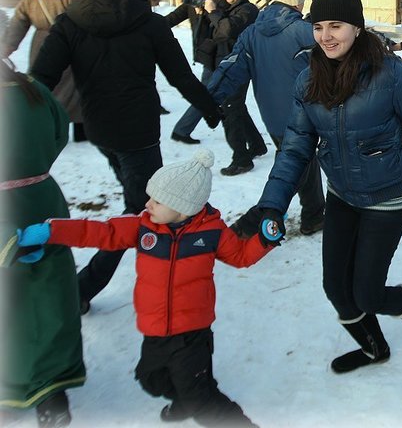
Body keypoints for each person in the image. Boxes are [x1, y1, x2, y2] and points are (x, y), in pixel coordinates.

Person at [236, 0, 402, 374]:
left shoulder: (389, 73)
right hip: (342, 194)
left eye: (336, 26)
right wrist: (271, 205)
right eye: (318, 26)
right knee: (336, 288)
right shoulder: (307, 80)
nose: (325, 35)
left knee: (368, 293)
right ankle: (374, 348)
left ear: (357, 28)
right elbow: (294, 149)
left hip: (386, 196)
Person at [15, 149, 268, 427]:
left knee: (201, 399)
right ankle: (184, 397)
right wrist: (52, 231)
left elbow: (241, 257)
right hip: (155, 328)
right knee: (152, 380)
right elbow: (98, 231)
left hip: (191, 334)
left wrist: (265, 240)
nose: (148, 204)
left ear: (183, 208)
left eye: (157, 200)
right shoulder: (142, 227)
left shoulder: (212, 233)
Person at [30, 0, 221, 313]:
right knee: (142, 209)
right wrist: (210, 108)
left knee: (141, 196)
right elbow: (180, 76)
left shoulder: (70, 22)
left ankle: (181, 241)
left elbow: (42, 79)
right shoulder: (148, 23)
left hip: (99, 129)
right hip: (139, 131)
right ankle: (81, 289)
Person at [1, 58, 85, 428]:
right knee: (51, 295)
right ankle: (53, 390)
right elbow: (60, 131)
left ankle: (16, 383)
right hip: (43, 199)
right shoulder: (32, 88)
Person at [205, 0, 325, 235]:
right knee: (291, 169)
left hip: (272, 117)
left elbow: (230, 69)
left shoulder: (251, 33)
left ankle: (315, 213)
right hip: (303, 116)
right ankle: (260, 220)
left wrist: (208, 100)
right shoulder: (307, 33)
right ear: (298, 3)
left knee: (303, 162)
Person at [2, 0, 88, 143]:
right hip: (73, 44)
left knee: (44, 86)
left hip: (41, 44)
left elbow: (18, 24)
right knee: (76, 87)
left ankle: (48, 128)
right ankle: (81, 132)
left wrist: (7, 47)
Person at [204, 0, 267, 176]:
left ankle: (241, 160)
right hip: (231, 65)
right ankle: (257, 145)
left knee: (229, 109)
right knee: (236, 106)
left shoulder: (247, 10)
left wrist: (214, 13)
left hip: (240, 66)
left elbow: (226, 30)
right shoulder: (231, 9)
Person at [167, 0, 225, 145]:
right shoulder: (215, 1)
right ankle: (182, 129)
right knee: (208, 93)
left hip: (206, 53)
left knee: (219, 93)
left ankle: (249, 140)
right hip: (214, 54)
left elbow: (169, 20)